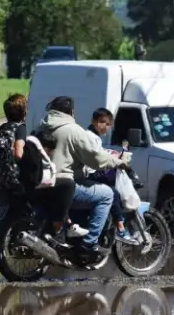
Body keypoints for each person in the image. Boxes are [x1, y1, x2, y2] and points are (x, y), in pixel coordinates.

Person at [37, 96, 129, 259]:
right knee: (107, 194)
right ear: (70, 111)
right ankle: (89, 243)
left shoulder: (43, 127)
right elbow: (95, 159)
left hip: (41, 182)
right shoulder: (73, 130)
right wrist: (117, 162)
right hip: (63, 183)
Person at [86, 108, 138, 245]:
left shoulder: (92, 135)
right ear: (93, 121)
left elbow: (100, 153)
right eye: (101, 122)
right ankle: (121, 229)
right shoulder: (91, 136)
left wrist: (112, 156)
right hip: (88, 174)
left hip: (90, 172)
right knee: (113, 192)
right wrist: (117, 162)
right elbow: (98, 158)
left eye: (108, 124)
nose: (104, 126)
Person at [0, 93, 30, 232]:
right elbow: (18, 153)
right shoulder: (21, 128)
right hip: (12, 180)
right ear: (24, 112)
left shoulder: (1, 129)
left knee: (6, 204)